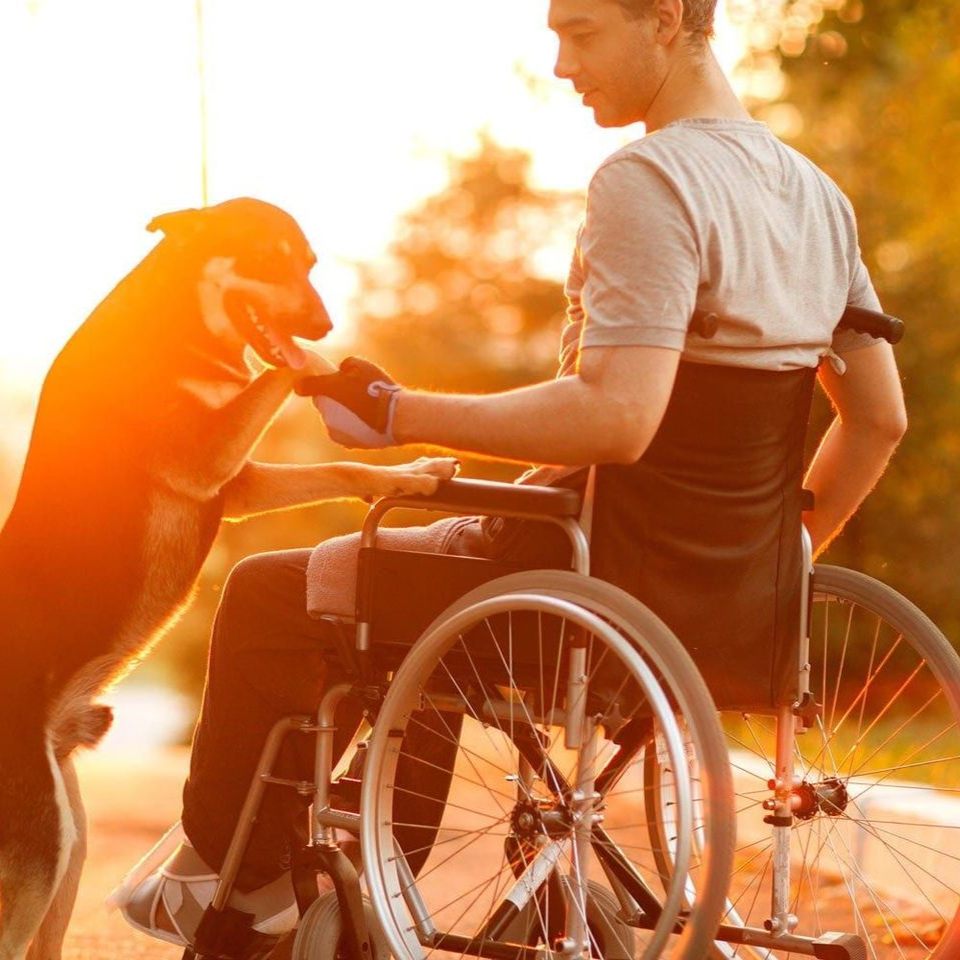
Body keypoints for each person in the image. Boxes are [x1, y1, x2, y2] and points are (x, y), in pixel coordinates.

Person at [121, 0, 907, 953]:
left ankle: (227, 886)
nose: (562, 66)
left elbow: (616, 416)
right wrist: (767, 560)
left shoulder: (649, 179)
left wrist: (397, 414)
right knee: (423, 581)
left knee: (275, 589)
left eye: (580, 33)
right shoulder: (817, 199)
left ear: (665, 21)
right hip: (718, 604)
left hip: (575, 577)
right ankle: (373, 858)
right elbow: (878, 420)